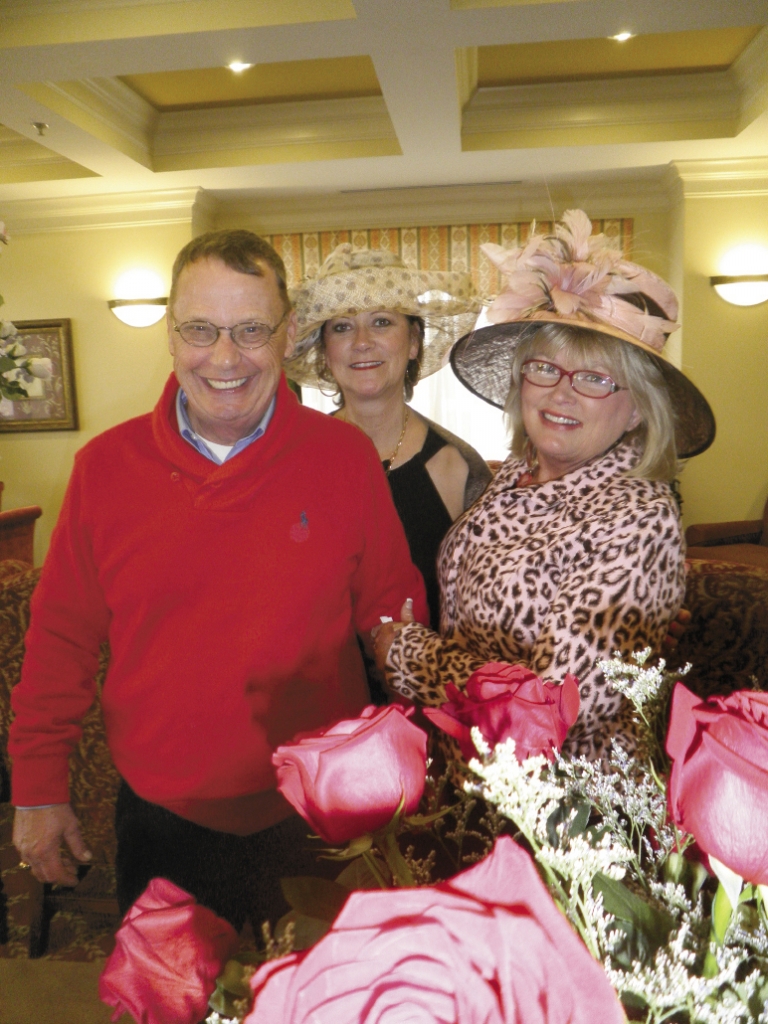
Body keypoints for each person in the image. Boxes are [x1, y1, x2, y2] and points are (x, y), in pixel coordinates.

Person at [9, 229, 428, 929]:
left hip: (322, 819)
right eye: (201, 330)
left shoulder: (345, 459)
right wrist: (38, 789)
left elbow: (392, 618)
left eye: (250, 330)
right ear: (172, 337)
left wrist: (431, 744)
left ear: (287, 335)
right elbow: (59, 643)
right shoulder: (103, 470)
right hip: (163, 821)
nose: (225, 357)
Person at [374, 210, 715, 761]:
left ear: (636, 411)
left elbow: (555, 707)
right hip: (477, 772)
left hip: (568, 811)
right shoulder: (517, 471)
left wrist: (409, 655)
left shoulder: (637, 516)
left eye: (596, 378)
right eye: (544, 369)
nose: (562, 394)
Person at [284, 244, 491, 630]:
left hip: (427, 684)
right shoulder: (293, 462)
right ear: (325, 352)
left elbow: (482, 613)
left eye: (381, 322)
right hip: (321, 685)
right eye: (342, 327)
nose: (362, 341)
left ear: (413, 342)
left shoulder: (458, 467)